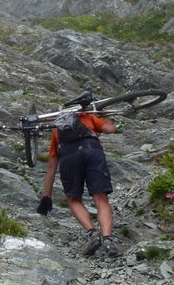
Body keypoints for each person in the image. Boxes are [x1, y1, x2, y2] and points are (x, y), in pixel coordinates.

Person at [36, 108, 120, 257]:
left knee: (74, 199)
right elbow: (110, 129)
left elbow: (51, 167)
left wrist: (47, 196)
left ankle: (92, 235)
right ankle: (108, 241)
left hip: (69, 155)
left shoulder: (57, 131)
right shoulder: (88, 116)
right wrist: (104, 116)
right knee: (100, 198)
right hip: (92, 150)